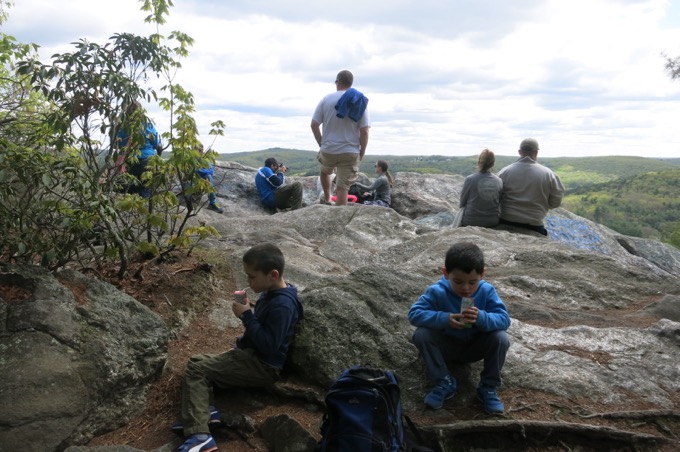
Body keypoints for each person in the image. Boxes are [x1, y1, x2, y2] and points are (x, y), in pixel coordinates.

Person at [175, 243, 304, 452]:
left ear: (273, 274)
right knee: (196, 361)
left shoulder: (283, 305)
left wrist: (246, 315)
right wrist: (248, 309)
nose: (248, 281)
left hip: (262, 365)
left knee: (197, 371)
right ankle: (202, 414)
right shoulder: (272, 292)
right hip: (250, 355)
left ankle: (200, 436)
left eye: (252, 277)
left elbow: (270, 345)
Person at [407, 242, 510, 414]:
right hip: (447, 347)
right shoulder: (437, 291)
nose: (466, 288)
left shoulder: (486, 291)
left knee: (501, 338)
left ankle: (488, 387)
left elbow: (504, 320)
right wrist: (444, 318)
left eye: (472, 282)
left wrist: (482, 317)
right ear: (446, 273)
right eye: (458, 281)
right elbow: (414, 314)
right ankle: (443, 381)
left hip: (476, 347)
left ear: (482, 274)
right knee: (422, 334)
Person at [311, 69, 370, 206]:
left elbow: (314, 124)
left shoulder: (326, 99)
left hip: (329, 149)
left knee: (325, 172)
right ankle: (339, 219)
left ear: (337, 82)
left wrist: (321, 143)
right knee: (343, 188)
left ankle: (327, 199)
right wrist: (362, 151)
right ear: (351, 83)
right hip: (350, 150)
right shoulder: (359, 101)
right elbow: (365, 131)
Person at [497, 138, 564, 236]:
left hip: (506, 221)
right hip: (534, 224)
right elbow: (556, 202)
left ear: (520, 152)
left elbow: (495, 196)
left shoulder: (505, 171)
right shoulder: (548, 174)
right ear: (536, 152)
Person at [115, 100, 162, 198]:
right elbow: (156, 144)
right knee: (145, 190)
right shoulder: (147, 125)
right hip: (147, 160)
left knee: (128, 190)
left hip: (128, 161)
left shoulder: (123, 126)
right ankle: (145, 209)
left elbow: (117, 144)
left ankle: (129, 210)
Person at [459, 149, 503, 227]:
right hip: (492, 221)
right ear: (493, 164)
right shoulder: (499, 181)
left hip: (471, 221)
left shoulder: (470, 179)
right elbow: (498, 202)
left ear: (479, 162)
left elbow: (462, 203)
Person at [195, 143, 224, 214]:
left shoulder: (205, 160)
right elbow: (191, 170)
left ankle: (212, 203)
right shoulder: (190, 160)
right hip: (193, 180)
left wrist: (199, 171)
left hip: (203, 181)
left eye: (201, 150)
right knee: (207, 175)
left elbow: (211, 171)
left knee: (208, 176)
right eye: (197, 150)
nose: (199, 152)